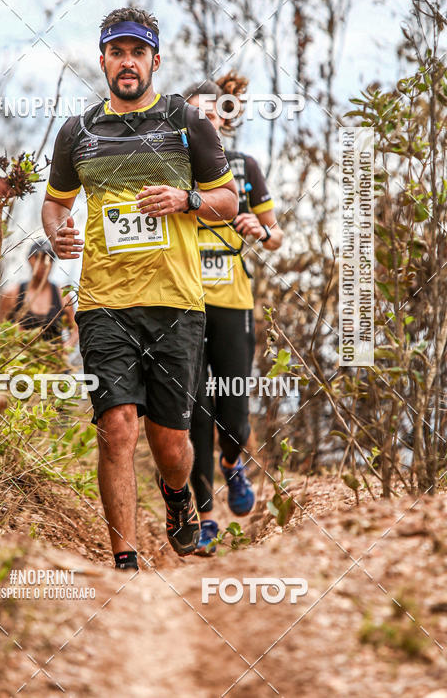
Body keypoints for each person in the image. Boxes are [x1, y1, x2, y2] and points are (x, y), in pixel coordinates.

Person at [42, 7, 238, 570]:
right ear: (103, 60)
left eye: (138, 52)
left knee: (169, 443)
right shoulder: (77, 132)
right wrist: (59, 234)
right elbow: (54, 203)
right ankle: (123, 560)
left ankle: (178, 498)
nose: (127, 63)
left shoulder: (186, 125)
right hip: (105, 303)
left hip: (176, 302)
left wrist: (187, 200)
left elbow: (227, 202)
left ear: (155, 59)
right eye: (117, 52)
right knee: (116, 428)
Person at [184, 76, 283, 555]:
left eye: (215, 112)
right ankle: (205, 516)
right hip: (181, 300)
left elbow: (276, 234)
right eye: (197, 113)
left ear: (227, 116)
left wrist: (258, 230)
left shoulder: (245, 167)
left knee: (234, 408)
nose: (209, 120)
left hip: (234, 300)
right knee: (194, 411)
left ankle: (232, 461)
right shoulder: (170, 165)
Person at [0, 240, 78, 346]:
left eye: (50, 260)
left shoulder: (62, 296)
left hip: (53, 359)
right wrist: (13, 335)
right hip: (19, 359)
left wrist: (65, 348)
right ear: (29, 259)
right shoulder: (13, 293)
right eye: (39, 258)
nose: (44, 264)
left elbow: (75, 330)